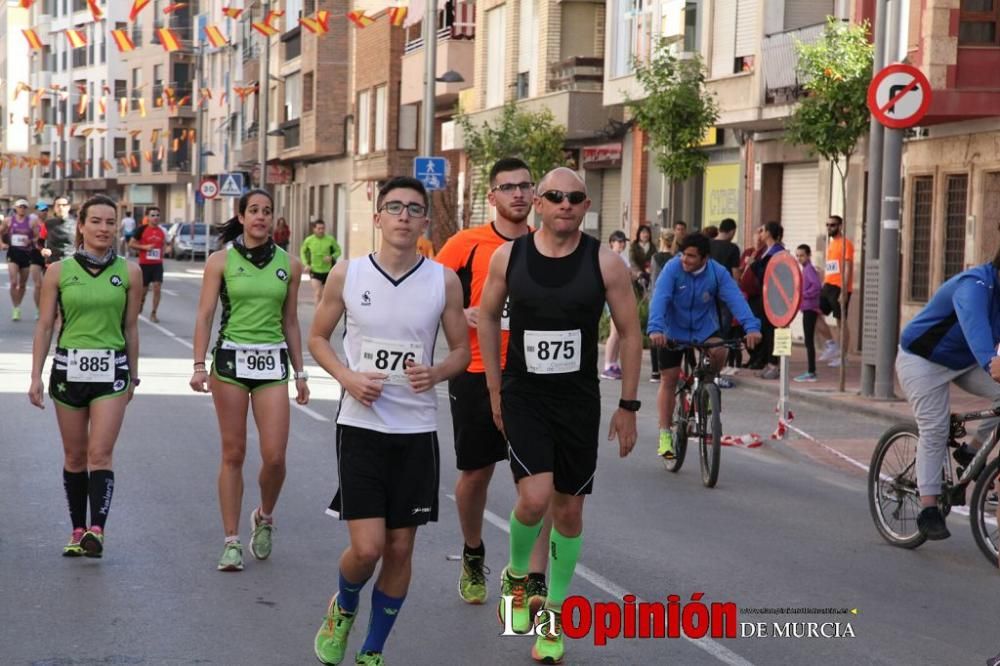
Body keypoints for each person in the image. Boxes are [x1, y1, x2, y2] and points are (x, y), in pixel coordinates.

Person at [479, 167, 641, 664]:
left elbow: (631, 333)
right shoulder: (510, 256)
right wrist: (493, 386)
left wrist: (628, 407)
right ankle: (515, 573)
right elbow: (486, 314)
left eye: (574, 197)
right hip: (524, 394)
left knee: (569, 512)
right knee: (534, 497)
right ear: (540, 205)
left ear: (586, 206)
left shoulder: (605, 262)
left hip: (577, 400)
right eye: (554, 196)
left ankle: (552, 620)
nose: (564, 204)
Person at [309, 177, 469, 666]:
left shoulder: (442, 280)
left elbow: (462, 350)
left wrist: (437, 371)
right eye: (393, 207)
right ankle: (345, 604)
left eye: (413, 209)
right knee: (368, 548)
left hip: (417, 431)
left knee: (400, 549)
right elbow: (318, 338)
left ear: (425, 222)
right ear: (377, 218)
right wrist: (347, 378)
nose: (403, 216)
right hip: (362, 425)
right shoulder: (347, 274)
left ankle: (372, 649)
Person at [435, 157, 551, 608]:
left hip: (533, 378)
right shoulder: (467, 244)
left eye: (525, 186)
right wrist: (458, 312)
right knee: (476, 474)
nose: (518, 194)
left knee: (537, 485)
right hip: (478, 373)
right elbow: (430, 290)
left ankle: (527, 576)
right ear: (492, 196)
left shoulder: (548, 245)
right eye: (508, 187)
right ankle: (472, 549)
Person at [190, 188, 310, 572]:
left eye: (267, 211)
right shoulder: (219, 262)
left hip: (273, 363)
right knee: (234, 453)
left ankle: (264, 514)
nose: (261, 216)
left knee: (274, 456)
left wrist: (301, 372)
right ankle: (230, 541)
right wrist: (197, 364)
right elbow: (206, 315)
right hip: (229, 364)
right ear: (240, 217)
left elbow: (290, 321)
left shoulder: (289, 265)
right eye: (254, 210)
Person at [29, 194, 142, 558]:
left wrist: (134, 376)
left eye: (110, 222)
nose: (104, 228)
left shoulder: (130, 272)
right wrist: (35, 376)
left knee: (101, 454)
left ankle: (97, 530)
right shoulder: (59, 272)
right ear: (81, 225)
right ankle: (77, 529)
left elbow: (131, 328)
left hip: (112, 370)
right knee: (75, 457)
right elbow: (45, 326)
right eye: (96, 221)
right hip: (68, 370)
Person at [896, 250, 1000, 542]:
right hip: (922, 360)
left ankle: (971, 452)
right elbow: (977, 331)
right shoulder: (974, 286)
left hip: (962, 361)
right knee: (936, 428)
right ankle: (928, 508)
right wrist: (991, 362)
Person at [647, 233, 762, 458]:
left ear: (705, 258)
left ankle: (706, 388)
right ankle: (665, 435)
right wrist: (656, 328)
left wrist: (751, 327)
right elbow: (659, 298)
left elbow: (735, 299)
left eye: (691, 256)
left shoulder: (717, 273)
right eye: (683, 254)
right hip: (673, 330)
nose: (685, 260)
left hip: (704, 329)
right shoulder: (672, 268)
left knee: (721, 350)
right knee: (668, 379)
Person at [750, 222, 785, 380]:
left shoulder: (777, 252)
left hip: (776, 297)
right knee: (767, 330)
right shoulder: (766, 251)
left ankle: (775, 364)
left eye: (762, 231)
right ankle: (768, 362)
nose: (760, 233)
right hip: (767, 295)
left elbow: (766, 273)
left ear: (769, 233)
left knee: (774, 331)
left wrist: (754, 266)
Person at [709, 218, 743, 382]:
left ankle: (707, 367)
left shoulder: (708, 245)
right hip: (725, 294)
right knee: (723, 333)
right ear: (731, 231)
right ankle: (717, 371)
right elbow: (736, 275)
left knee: (708, 332)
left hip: (707, 293)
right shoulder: (732, 248)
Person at [818, 214, 854, 368]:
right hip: (828, 285)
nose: (829, 228)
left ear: (840, 226)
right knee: (814, 312)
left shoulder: (846, 244)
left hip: (840, 287)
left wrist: (844, 290)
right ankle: (831, 344)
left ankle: (843, 356)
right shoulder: (831, 244)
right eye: (827, 225)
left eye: (832, 225)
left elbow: (847, 268)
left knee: (841, 321)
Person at [1, 198, 43, 321]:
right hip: (13, 253)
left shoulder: (31, 222)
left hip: (26, 254)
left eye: (24, 207)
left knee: (23, 284)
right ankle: (16, 308)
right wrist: (2, 244)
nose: (22, 209)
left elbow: (37, 237)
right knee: (14, 282)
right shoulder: (9, 221)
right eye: (20, 207)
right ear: (15, 208)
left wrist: (30, 241)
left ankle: (18, 305)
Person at [601, 230, 630, 380]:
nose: (622, 244)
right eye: (619, 241)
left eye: (623, 241)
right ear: (612, 242)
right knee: (615, 332)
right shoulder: (609, 258)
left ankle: (613, 363)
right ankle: (607, 364)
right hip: (612, 298)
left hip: (623, 296)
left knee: (620, 332)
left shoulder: (623, 258)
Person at [129, 206, 166, 322]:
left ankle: (154, 313)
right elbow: (131, 244)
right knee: (143, 292)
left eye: (157, 215)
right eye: (153, 215)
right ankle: (139, 306)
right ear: (148, 217)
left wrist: (166, 250)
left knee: (157, 287)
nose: (155, 218)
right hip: (145, 265)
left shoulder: (162, 231)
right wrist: (144, 247)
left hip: (157, 264)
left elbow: (164, 244)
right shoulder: (141, 230)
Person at [648, 228, 674, 383]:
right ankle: (670, 367)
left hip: (657, 298)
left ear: (661, 241)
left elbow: (654, 279)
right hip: (672, 300)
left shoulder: (656, 257)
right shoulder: (675, 258)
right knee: (671, 332)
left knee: (655, 332)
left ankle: (655, 371)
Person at [740, 225, 768, 370]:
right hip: (746, 297)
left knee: (758, 328)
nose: (758, 236)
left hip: (759, 297)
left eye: (761, 233)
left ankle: (760, 358)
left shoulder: (765, 253)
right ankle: (752, 356)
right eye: (756, 233)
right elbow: (739, 270)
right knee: (745, 329)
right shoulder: (748, 252)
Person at [794, 244, 822, 383]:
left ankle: (811, 371)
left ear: (808, 255)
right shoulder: (805, 269)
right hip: (807, 308)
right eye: (797, 255)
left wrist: (803, 295)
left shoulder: (809, 269)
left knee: (809, 341)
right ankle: (811, 371)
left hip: (810, 308)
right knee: (808, 340)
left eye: (802, 255)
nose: (799, 258)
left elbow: (816, 286)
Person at [300, 219, 342, 307]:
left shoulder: (330, 239)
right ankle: (317, 316)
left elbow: (338, 251)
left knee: (324, 295)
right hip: (314, 270)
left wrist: (331, 257)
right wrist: (306, 264)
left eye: (323, 228)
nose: (321, 230)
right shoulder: (309, 240)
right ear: (314, 229)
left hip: (328, 271)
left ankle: (323, 313)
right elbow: (302, 252)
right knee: (318, 293)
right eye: (319, 228)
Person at [42, 196, 78, 265]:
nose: (61, 207)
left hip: (71, 262)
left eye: (64, 205)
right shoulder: (47, 224)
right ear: (54, 208)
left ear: (68, 207)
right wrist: (43, 250)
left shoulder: (77, 224)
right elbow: (40, 241)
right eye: (58, 205)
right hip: (52, 263)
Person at [628, 223, 655, 294]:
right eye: (643, 232)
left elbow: (655, 259)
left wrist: (651, 268)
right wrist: (638, 271)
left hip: (650, 274)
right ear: (639, 234)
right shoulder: (634, 246)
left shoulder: (653, 247)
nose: (645, 235)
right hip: (637, 274)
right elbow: (632, 260)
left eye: (647, 232)